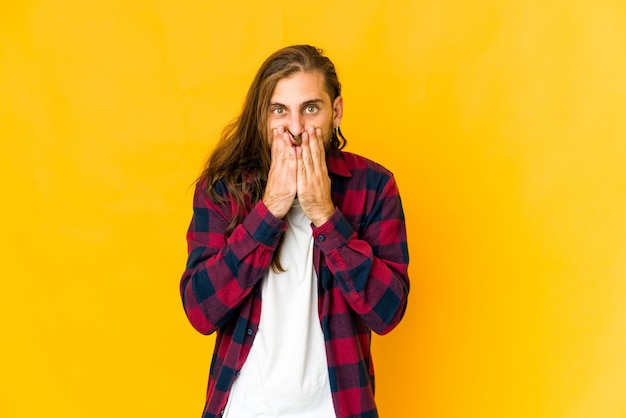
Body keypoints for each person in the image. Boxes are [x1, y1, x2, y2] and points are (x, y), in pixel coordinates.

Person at [180, 44, 410, 418]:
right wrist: (270, 209)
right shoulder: (222, 189)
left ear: (335, 112)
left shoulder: (374, 186)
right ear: (262, 117)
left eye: (311, 108)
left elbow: (388, 313)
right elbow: (200, 310)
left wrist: (325, 214)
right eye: (279, 110)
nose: (296, 128)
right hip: (243, 408)